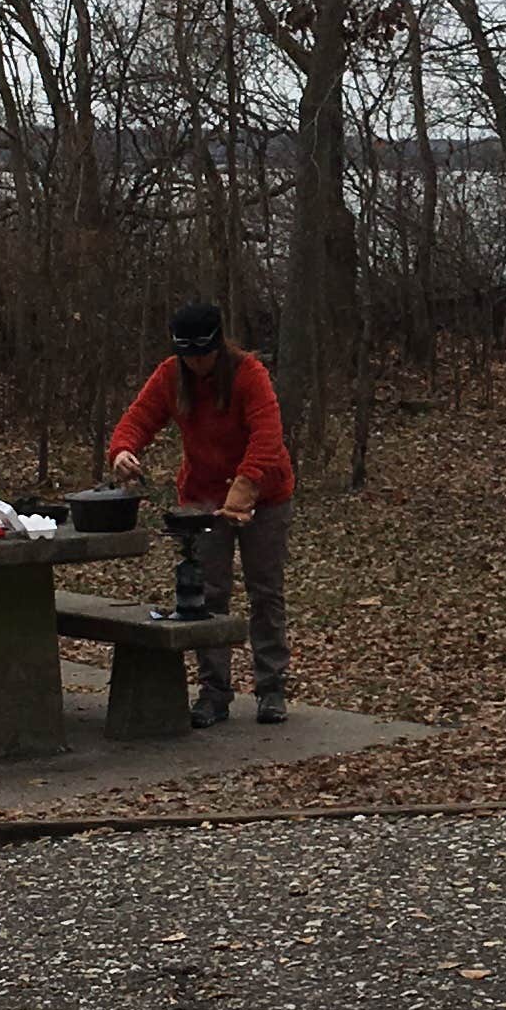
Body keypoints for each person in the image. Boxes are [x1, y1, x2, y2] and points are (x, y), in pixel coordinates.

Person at [107, 301, 296, 725]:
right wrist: (122, 450)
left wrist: (245, 488)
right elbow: (138, 419)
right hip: (202, 495)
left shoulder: (249, 374)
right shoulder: (170, 376)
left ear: (217, 348)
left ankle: (272, 688)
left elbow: (268, 436)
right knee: (207, 594)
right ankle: (214, 691)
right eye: (187, 356)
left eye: (202, 355)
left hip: (265, 494)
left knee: (265, 591)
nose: (195, 364)